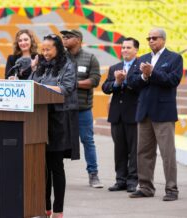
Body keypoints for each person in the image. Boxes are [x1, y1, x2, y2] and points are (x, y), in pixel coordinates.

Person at [127, 28, 183, 201]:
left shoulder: (174, 58)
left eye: (154, 38)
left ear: (163, 40)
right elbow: (131, 81)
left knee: (167, 153)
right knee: (143, 152)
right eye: (149, 38)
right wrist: (144, 77)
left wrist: (152, 73)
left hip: (164, 113)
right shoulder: (142, 59)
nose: (151, 41)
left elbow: (173, 80)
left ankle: (171, 189)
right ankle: (145, 187)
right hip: (144, 112)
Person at [30, 34, 79, 218]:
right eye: (43, 49)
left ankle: (58, 210)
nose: (45, 53)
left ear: (57, 48)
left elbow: (66, 88)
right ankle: (45, 207)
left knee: (55, 166)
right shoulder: (41, 66)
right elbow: (32, 86)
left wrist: (43, 89)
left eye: (48, 49)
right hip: (40, 121)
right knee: (42, 167)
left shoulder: (68, 65)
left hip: (58, 121)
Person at [60, 29, 103, 188]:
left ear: (78, 39)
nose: (64, 39)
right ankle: (56, 175)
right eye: (63, 37)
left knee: (88, 141)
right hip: (62, 109)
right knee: (59, 142)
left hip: (82, 109)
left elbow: (95, 80)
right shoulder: (60, 58)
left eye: (68, 37)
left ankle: (93, 175)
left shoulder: (90, 58)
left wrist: (74, 84)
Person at [102, 37, 140, 193]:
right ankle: (120, 180)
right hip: (117, 115)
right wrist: (117, 83)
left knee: (134, 150)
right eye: (123, 47)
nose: (124, 50)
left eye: (128, 47)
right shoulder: (115, 67)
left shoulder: (140, 67)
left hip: (134, 115)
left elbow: (140, 85)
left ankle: (132, 180)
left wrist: (125, 81)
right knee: (119, 150)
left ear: (136, 50)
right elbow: (105, 87)